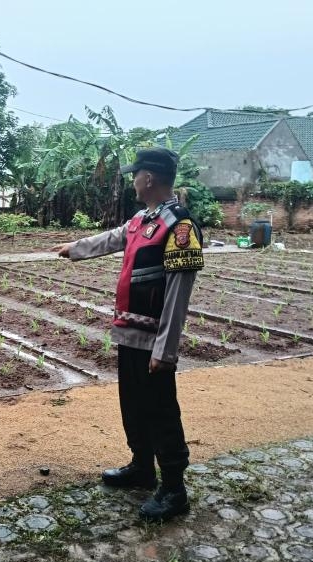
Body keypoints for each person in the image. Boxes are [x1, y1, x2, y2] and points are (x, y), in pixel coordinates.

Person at [51, 148, 204, 521]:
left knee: (161, 411)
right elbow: (113, 238)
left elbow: (177, 297)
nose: (132, 180)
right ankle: (141, 466)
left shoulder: (179, 227)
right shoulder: (142, 219)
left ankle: (173, 489)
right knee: (134, 406)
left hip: (153, 342)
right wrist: (76, 249)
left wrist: (164, 350)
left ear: (148, 178)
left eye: (135, 174)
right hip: (129, 334)